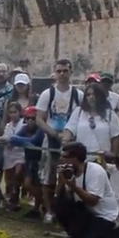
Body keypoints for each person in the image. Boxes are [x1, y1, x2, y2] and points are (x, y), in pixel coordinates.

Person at [35, 59, 83, 224]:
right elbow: (39, 119)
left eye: (65, 71)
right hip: (51, 140)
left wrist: (69, 136)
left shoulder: (78, 95)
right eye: (59, 71)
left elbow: (81, 118)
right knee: (47, 177)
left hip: (71, 143)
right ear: (54, 73)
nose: (62, 74)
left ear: (71, 73)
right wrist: (55, 134)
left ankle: (67, 211)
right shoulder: (47, 94)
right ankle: (48, 211)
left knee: (69, 177)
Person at [53, 142, 119, 238]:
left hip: (104, 215)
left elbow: (93, 201)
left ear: (75, 159)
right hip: (86, 212)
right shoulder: (67, 172)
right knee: (60, 206)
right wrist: (61, 180)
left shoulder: (95, 171)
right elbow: (59, 197)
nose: (61, 159)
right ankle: (75, 235)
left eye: (65, 157)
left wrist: (73, 186)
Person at [61, 82, 119, 160]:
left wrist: (113, 155)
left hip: (102, 159)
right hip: (82, 159)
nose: (91, 97)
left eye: (94, 94)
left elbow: (116, 136)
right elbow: (69, 128)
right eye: (88, 95)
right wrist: (65, 141)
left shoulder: (110, 115)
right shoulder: (78, 112)